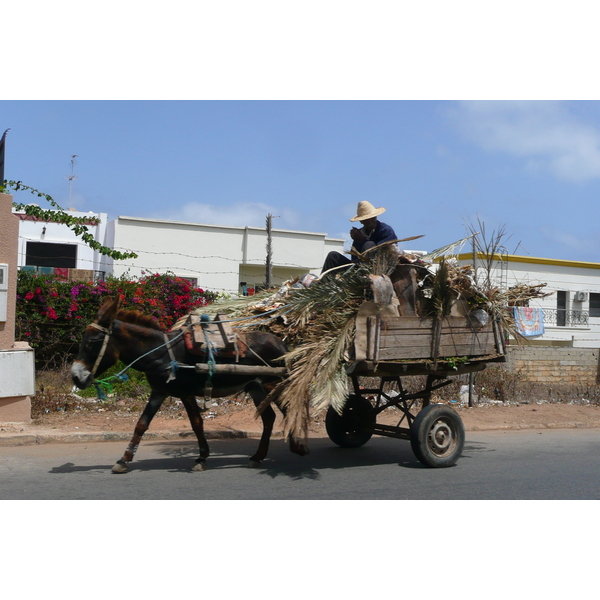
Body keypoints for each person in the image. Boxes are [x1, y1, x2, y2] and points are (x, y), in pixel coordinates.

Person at [321, 201, 398, 274]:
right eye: (367, 219)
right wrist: (358, 240)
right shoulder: (360, 233)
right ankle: (321, 283)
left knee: (369, 244)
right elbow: (354, 256)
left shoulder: (385, 230)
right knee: (333, 255)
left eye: (372, 218)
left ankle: (365, 274)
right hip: (357, 267)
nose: (371, 221)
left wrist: (362, 240)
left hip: (378, 266)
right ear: (361, 221)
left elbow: (382, 253)